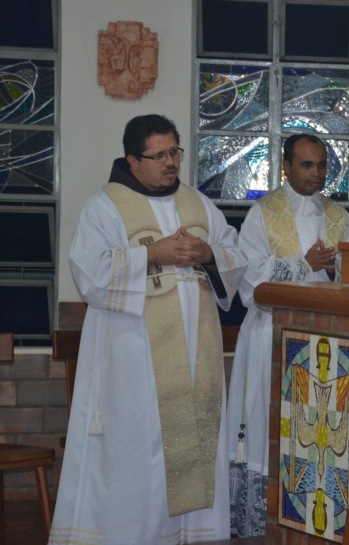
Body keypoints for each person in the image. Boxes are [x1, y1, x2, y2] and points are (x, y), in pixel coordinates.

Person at [51, 114, 247, 544]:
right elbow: (90, 273)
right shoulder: (105, 205)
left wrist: (209, 254)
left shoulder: (198, 204)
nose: (170, 162)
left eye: (174, 152)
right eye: (158, 155)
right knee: (143, 448)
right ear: (132, 160)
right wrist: (151, 254)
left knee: (191, 441)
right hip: (134, 361)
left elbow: (237, 255)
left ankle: (192, 534)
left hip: (196, 361)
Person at [226, 133, 349, 536]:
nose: (316, 174)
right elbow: (249, 280)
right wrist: (303, 265)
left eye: (321, 166)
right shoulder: (263, 213)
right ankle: (260, 519)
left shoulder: (340, 217)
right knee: (268, 421)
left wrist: (339, 270)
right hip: (272, 332)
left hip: (327, 341)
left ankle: (313, 516)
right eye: (306, 165)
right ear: (286, 166)